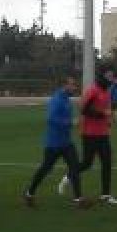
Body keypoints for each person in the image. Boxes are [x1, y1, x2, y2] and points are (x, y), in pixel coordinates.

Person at [23, 76, 90, 208]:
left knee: (75, 167)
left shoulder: (66, 99)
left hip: (66, 143)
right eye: (72, 85)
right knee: (45, 169)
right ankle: (29, 193)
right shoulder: (57, 100)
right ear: (64, 86)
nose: (74, 87)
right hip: (53, 143)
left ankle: (78, 199)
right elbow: (51, 119)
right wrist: (70, 122)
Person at [59, 70, 117, 205]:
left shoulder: (106, 91)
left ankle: (105, 195)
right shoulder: (93, 90)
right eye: (109, 76)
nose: (111, 79)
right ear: (102, 76)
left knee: (107, 162)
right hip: (89, 134)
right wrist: (103, 114)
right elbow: (83, 109)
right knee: (87, 163)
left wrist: (108, 119)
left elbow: (107, 108)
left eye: (112, 76)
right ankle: (69, 176)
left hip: (103, 133)